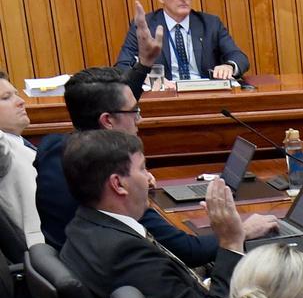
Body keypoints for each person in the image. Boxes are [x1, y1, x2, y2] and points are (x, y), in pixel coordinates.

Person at [34, 66, 276, 262]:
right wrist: (242, 231)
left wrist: (135, 175)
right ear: (107, 121)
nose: (140, 118)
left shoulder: (53, 149)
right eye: (134, 111)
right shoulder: (109, 183)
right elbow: (190, 251)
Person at [59, 131, 244, 298]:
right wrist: (230, 243)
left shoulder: (83, 225)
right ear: (118, 184)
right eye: (143, 169)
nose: (149, 178)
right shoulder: (125, 253)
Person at [114, 0, 250, 81]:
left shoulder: (210, 24)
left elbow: (239, 57)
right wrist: (149, 79)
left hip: (206, 95)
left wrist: (229, 66)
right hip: (164, 97)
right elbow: (122, 66)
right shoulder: (146, 26)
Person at [0, 73, 42, 246]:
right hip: (40, 251)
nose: (20, 101)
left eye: (16, 94)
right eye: (6, 98)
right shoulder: (4, 150)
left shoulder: (19, 142)